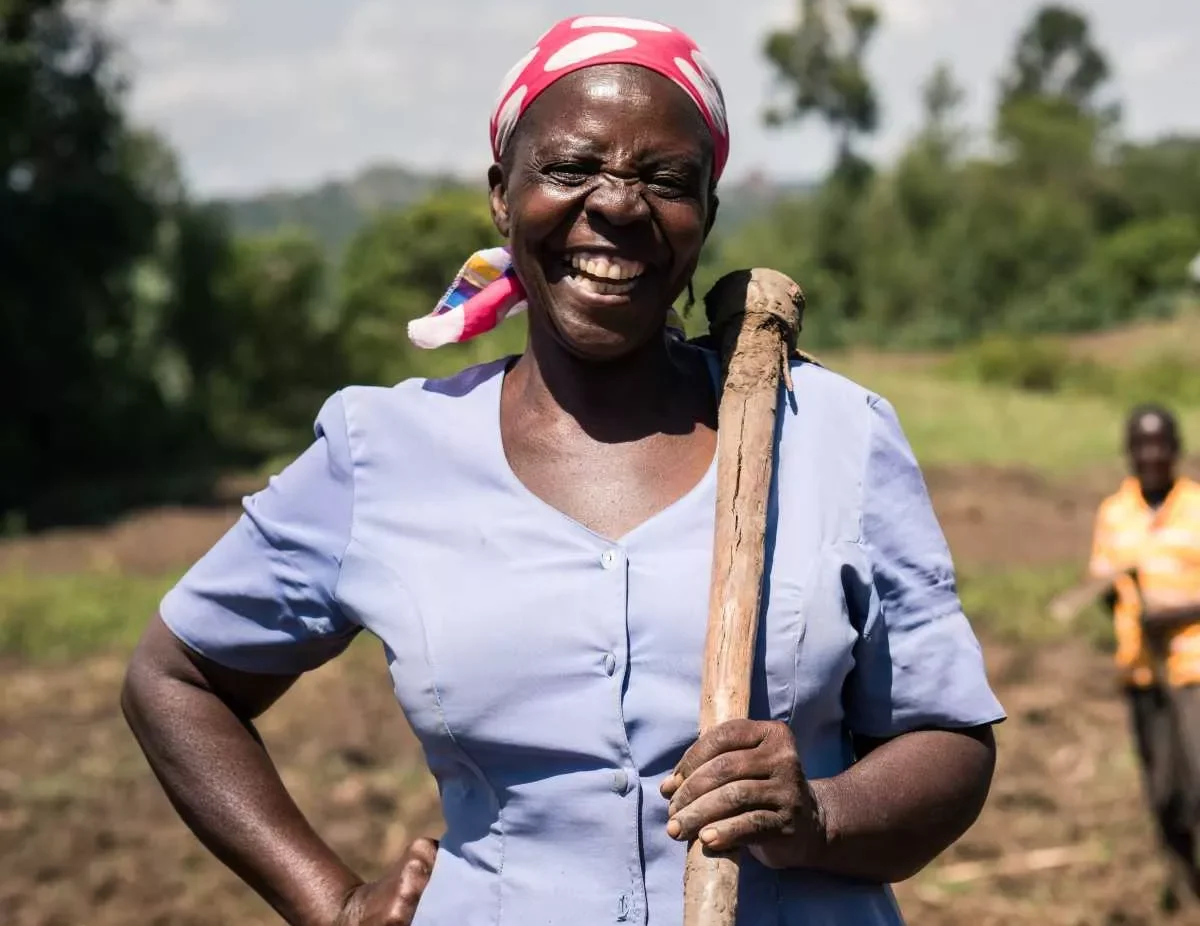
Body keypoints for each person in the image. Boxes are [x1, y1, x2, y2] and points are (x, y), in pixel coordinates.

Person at [120, 16, 1004, 926]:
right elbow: (176, 680)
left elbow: (949, 741)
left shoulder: (828, 435)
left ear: (704, 214)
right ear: (503, 195)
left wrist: (821, 815)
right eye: (572, 169)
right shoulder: (385, 453)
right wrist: (333, 902)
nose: (618, 206)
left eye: (666, 180)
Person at [1089, 404, 1200, 909]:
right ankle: (1182, 884)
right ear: (1130, 451)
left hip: (1193, 669)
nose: (1151, 454)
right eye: (1141, 444)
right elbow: (1104, 578)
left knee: (1197, 783)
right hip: (1141, 673)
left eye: (1160, 444)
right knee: (1163, 793)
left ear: (1175, 449)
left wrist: (1174, 613)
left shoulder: (1196, 507)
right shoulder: (1114, 513)